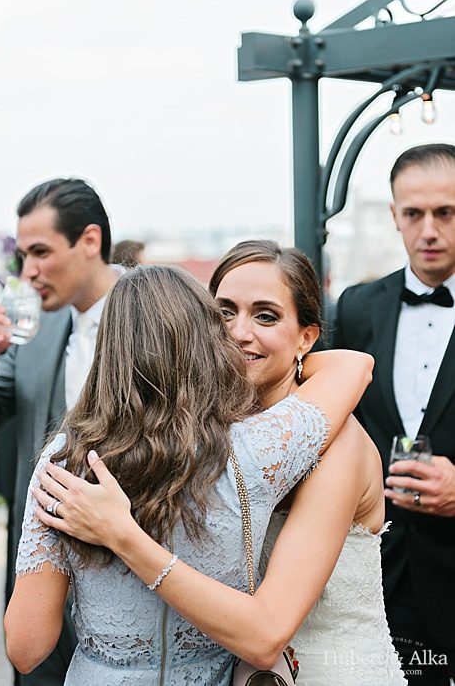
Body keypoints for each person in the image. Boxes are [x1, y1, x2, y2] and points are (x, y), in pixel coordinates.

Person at [34, 241, 405, 684]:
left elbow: (268, 630)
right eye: (224, 312)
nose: (238, 332)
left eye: (265, 316)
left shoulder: (336, 445)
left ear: (307, 336)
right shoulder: (202, 435)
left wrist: (122, 535)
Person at [0, 177, 120, 684]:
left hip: (130, 576)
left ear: (89, 241)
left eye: (40, 252)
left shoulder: (161, 318)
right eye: (23, 255)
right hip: (41, 579)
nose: (29, 271)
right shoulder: (33, 325)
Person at [332, 142, 455, 685]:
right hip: (377, 577)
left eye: (446, 212)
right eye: (414, 214)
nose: (428, 229)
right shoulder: (356, 309)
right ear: (394, 216)